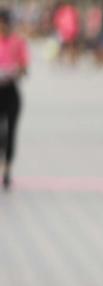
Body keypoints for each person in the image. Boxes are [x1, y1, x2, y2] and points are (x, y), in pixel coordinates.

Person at [0, 8, 28, 190]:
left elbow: (24, 68)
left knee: (11, 132)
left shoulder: (18, 42)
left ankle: (7, 171)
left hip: (11, 91)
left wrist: (13, 72)